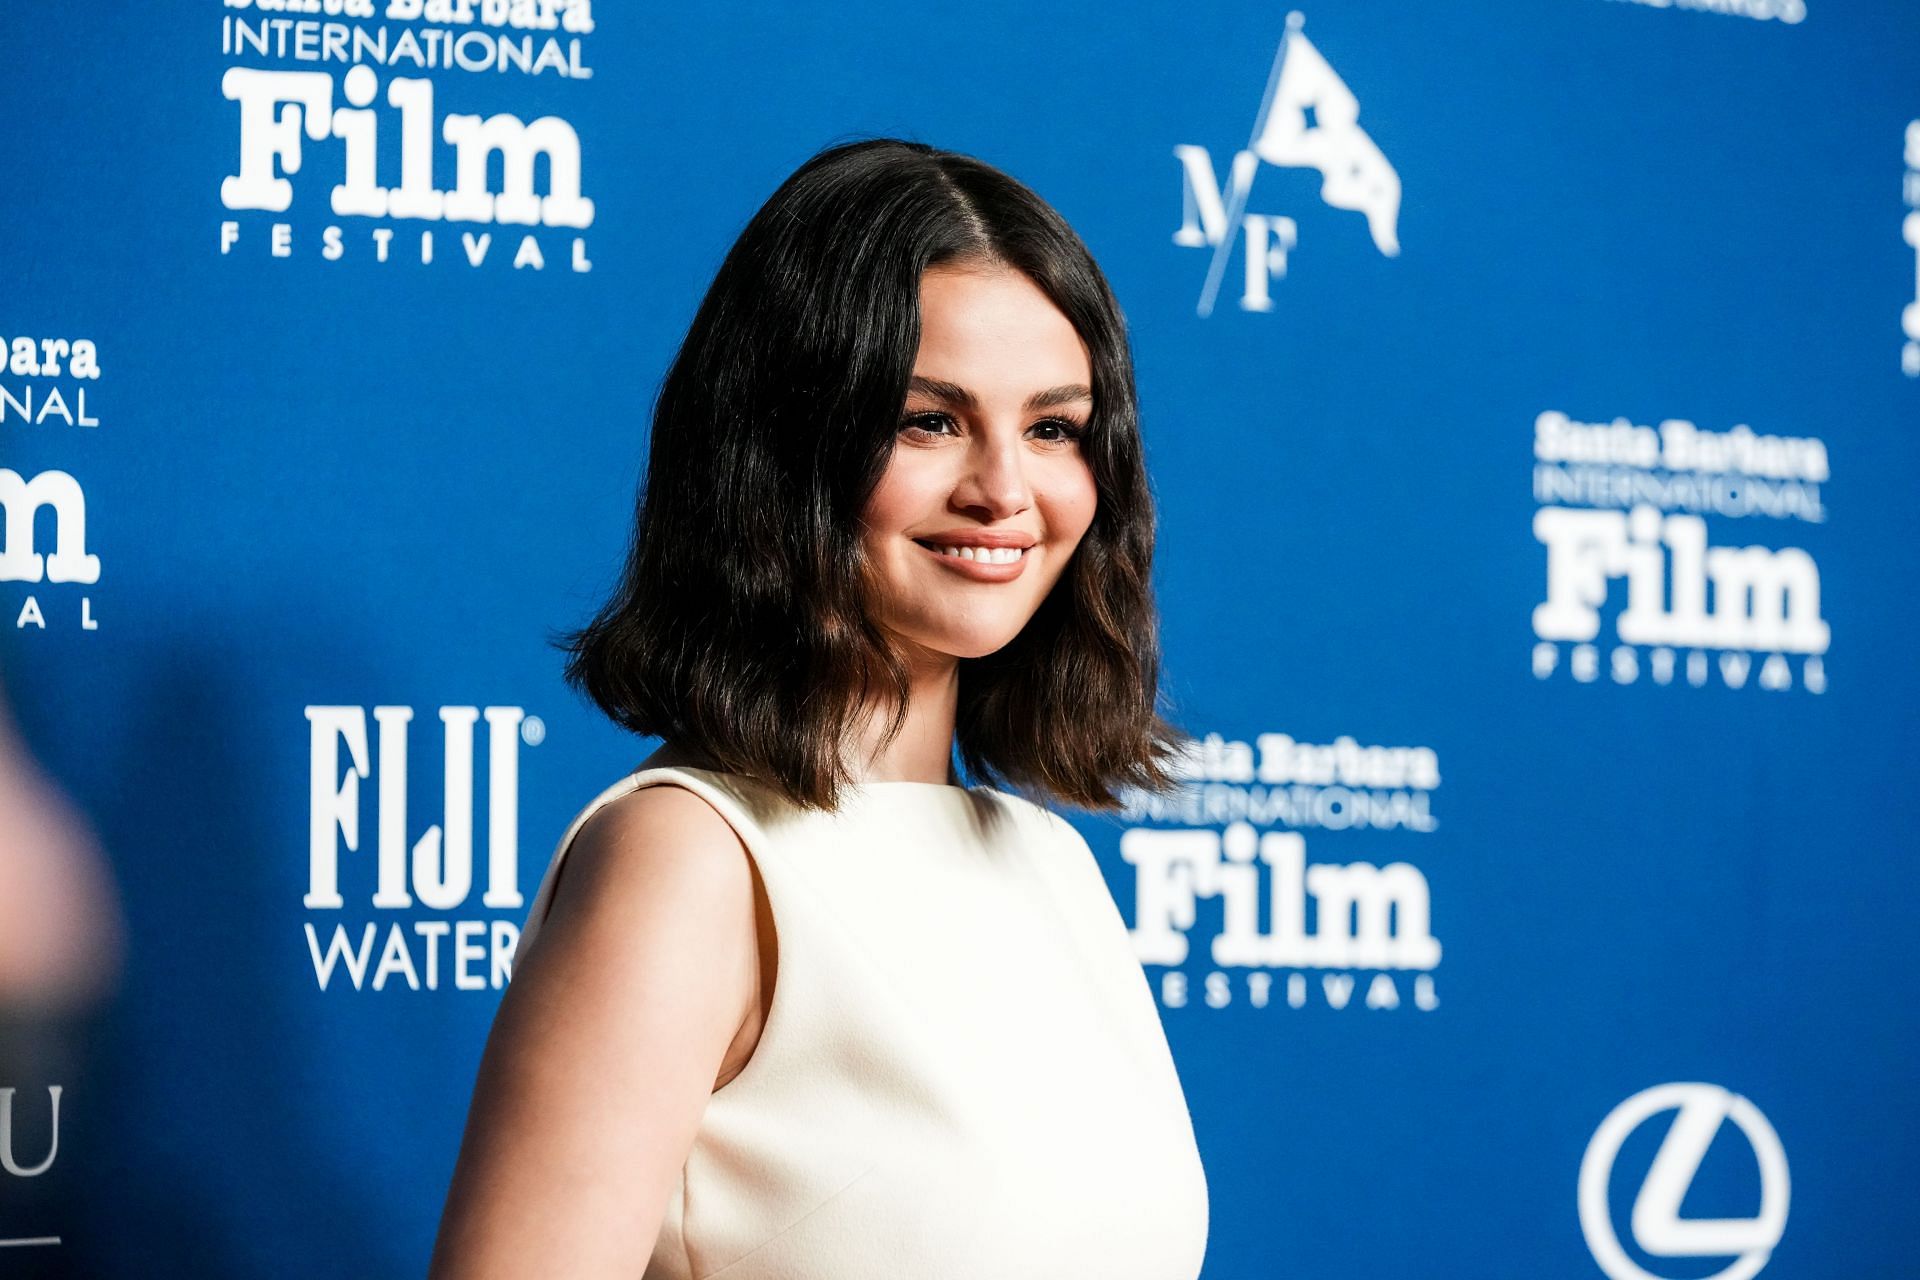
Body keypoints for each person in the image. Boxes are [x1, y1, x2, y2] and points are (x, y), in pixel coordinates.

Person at [428, 136, 1209, 1279]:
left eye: (1054, 428)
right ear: (785, 450)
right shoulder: (689, 859)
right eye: (927, 419)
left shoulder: (1045, 858)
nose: (1004, 488)